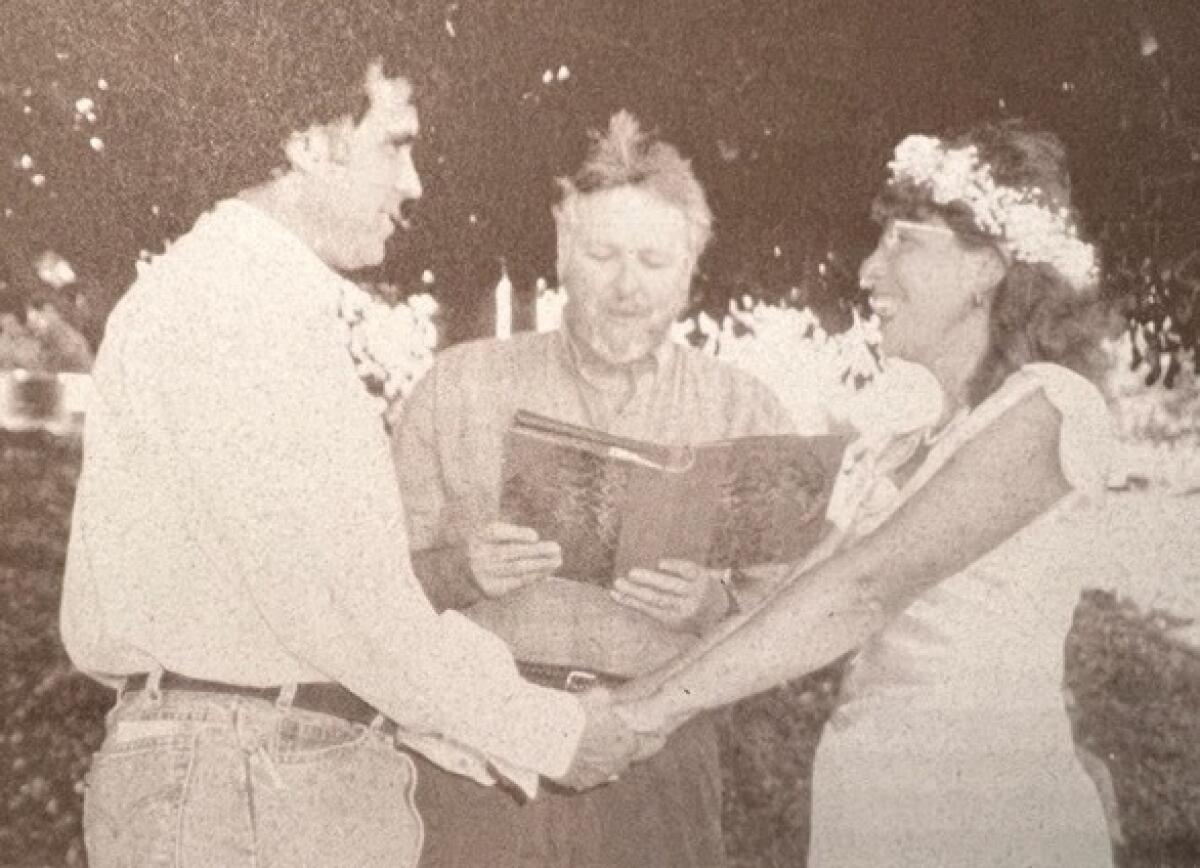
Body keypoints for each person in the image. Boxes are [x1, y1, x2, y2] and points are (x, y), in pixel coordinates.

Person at [60, 58, 649, 868]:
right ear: (308, 142)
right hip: (253, 781)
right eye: (394, 145)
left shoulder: (224, 295)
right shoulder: (237, 307)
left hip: (247, 769)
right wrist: (549, 730)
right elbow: (347, 601)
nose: (413, 184)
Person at [614, 120, 1119, 866]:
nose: (867, 272)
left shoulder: (1053, 406)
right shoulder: (898, 439)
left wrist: (644, 714)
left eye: (904, 242)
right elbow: (797, 601)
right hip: (872, 796)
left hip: (989, 809)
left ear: (988, 266)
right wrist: (625, 705)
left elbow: (864, 590)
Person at [391, 111, 796, 867]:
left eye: (653, 259)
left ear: (689, 269)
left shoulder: (747, 412)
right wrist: (459, 570)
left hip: (658, 756)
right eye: (603, 254)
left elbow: (788, 616)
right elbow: (366, 587)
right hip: (475, 753)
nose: (626, 285)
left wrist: (711, 605)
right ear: (562, 253)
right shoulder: (459, 387)